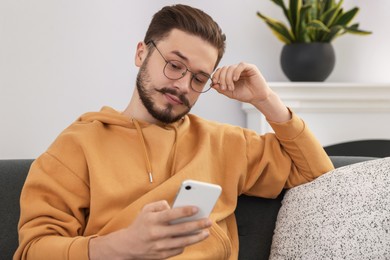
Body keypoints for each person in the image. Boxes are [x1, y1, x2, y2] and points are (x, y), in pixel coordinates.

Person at [14, 4, 334, 260]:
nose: (182, 85)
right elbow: (33, 250)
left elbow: (320, 177)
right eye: (175, 65)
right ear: (142, 53)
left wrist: (266, 101)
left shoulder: (226, 143)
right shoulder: (77, 146)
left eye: (198, 78)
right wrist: (121, 247)